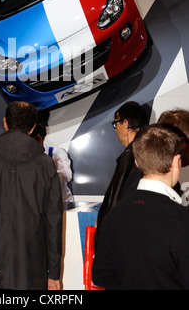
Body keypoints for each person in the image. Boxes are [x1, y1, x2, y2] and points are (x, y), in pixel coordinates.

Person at [0, 101, 63, 291]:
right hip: (30, 263)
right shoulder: (45, 164)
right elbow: (53, 222)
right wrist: (53, 273)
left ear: (5, 122)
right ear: (32, 128)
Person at [92, 124, 189, 290]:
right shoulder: (182, 220)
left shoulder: (115, 215)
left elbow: (101, 275)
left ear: (136, 162)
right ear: (176, 161)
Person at [94, 101, 149, 250]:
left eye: (115, 124)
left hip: (120, 239)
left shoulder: (129, 156)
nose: (115, 129)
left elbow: (116, 198)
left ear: (125, 123)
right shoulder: (146, 153)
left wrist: (103, 234)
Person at [31, 122, 73, 204]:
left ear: (43, 137)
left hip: (61, 203)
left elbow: (67, 175)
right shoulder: (24, 155)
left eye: (37, 139)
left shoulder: (56, 152)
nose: (34, 144)